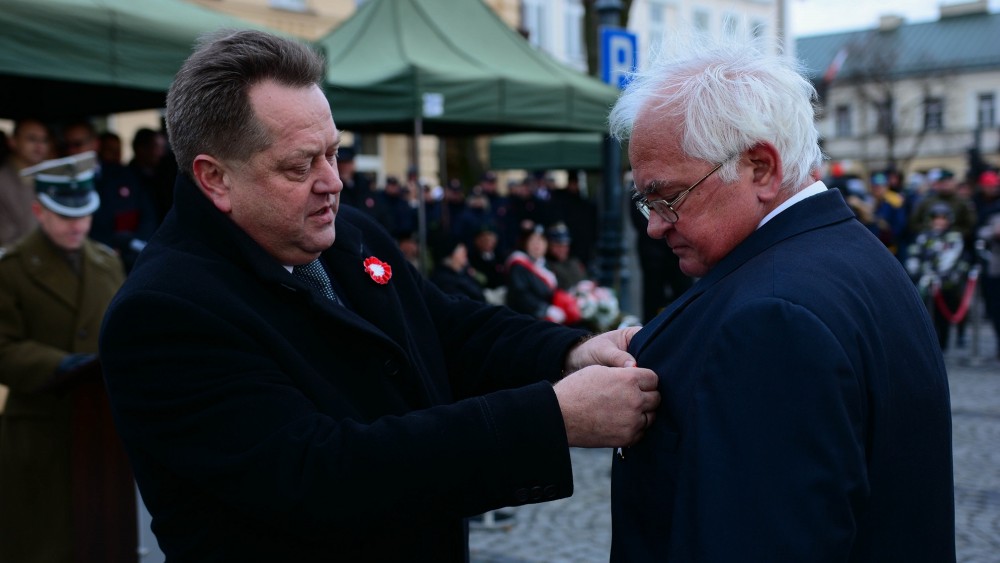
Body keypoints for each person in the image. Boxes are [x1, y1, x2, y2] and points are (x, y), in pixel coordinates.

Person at [98, 30, 659, 562]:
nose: (333, 181)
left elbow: (446, 329)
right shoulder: (165, 312)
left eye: (333, 153)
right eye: (300, 165)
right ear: (215, 178)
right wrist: (550, 418)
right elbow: (320, 474)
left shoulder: (346, 234)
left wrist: (569, 352)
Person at [607, 37, 954, 562]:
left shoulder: (772, 317)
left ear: (761, 168)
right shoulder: (851, 252)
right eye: (645, 202)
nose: (655, 226)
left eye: (668, 197)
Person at [0, 151, 136, 563]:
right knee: (43, 542)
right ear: (39, 211)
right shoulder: (11, 269)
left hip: (100, 432)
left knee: (103, 537)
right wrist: (57, 365)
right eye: (64, 215)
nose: (77, 224)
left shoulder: (106, 263)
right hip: (40, 428)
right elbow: (3, 347)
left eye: (84, 213)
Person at [62, 121, 158, 272]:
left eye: (77, 144)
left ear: (95, 144)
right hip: (90, 263)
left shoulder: (124, 174)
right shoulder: (62, 183)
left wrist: (136, 245)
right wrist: (105, 249)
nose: (72, 151)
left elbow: (148, 215)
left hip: (133, 260)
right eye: (67, 146)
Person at [906, 203, 971, 351]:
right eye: (936, 218)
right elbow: (914, 255)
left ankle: (945, 344)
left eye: (943, 218)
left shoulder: (954, 237)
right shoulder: (923, 236)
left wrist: (939, 275)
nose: (939, 222)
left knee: (945, 315)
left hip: (947, 284)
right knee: (923, 314)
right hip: (925, 281)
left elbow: (951, 259)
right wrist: (917, 271)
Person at [0, 118, 51, 247]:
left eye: (44, 140)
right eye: (32, 139)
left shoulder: (51, 176)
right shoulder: (3, 181)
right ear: (13, 142)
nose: (39, 146)